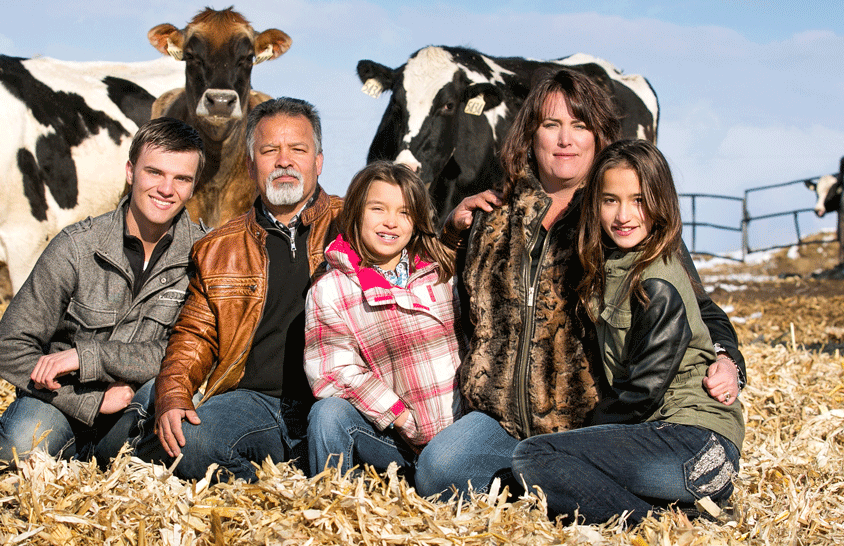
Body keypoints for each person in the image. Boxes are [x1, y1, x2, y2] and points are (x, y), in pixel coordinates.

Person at [415, 69, 746, 499]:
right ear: (530, 135)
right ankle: (547, 483)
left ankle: (559, 479)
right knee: (437, 472)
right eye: (551, 125)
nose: (565, 140)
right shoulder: (493, 214)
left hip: (593, 421)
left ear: (599, 136)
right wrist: (453, 234)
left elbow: (696, 308)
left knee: (546, 470)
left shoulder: (621, 217)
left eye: (580, 125)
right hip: (501, 417)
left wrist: (728, 359)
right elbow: (438, 298)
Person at [510, 139, 744, 524]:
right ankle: (684, 513)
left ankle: (654, 525)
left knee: (534, 457)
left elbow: (642, 391)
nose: (623, 215)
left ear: (661, 203)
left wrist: (583, 438)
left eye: (638, 200)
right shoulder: (617, 265)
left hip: (696, 445)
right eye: (609, 200)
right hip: (672, 444)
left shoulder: (658, 281)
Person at [0, 118, 208, 468]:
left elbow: (191, 350)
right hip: (62, 400)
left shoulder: (205, 255)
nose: (166, 189)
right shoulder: (76, 247)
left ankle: (94, 457)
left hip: (140, 402)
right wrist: (90, 401)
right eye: (154, 173)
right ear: (130, 172)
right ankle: (11, 434)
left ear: (193, 186)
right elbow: (9, 348)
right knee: (19, 448)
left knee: (189, 432)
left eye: (181, 179)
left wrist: (88, 357)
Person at [142, 97, 342, 482]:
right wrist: (173, 393)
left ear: (318, 161)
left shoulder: (355, 221)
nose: (284, 161)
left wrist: (452, 230)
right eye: (269, 151)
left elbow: (422, 257)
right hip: (253, 403)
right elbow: (194, 333)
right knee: (190, 443)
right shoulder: (217, 247)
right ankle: (269, 495)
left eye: (298, 150)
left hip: (335, 402)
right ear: (250, 165)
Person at [305, 161, 464, 478]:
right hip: (395, 440)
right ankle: (333, 504)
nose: (391, 222)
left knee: (446, 469)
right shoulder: (332, 290)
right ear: (355, 213)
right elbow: (333, 371)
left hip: (460, 434)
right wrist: (398, 415)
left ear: (417, 221)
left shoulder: (442, 274)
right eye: (378, 209)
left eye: (404, 212)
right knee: (327, 414)